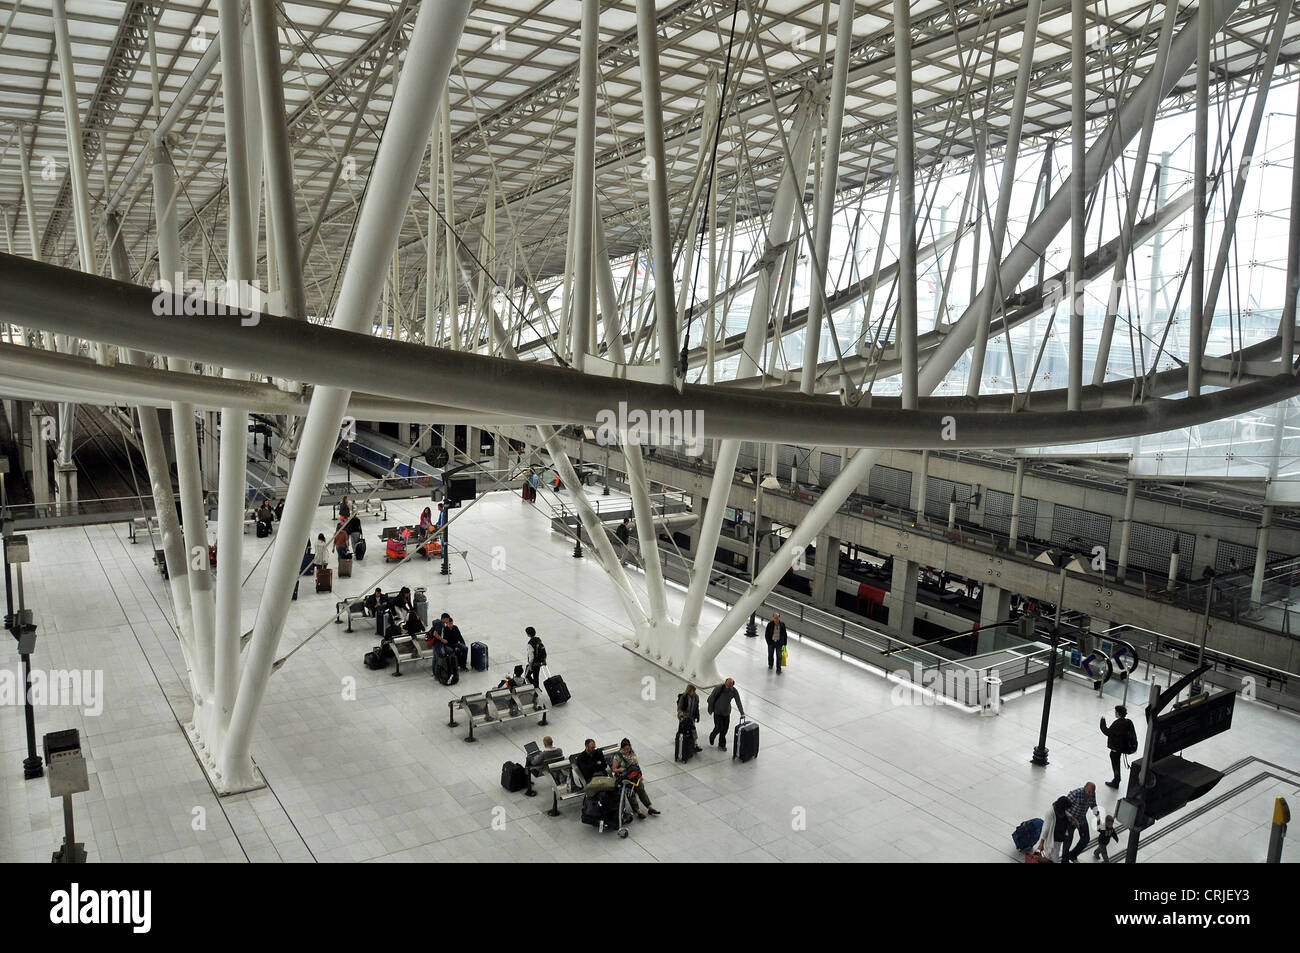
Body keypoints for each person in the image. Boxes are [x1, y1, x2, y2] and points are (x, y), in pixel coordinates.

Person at [611, 738, 660, 818]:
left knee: (641, 788)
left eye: (628, 748)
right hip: (624, 778)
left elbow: (636, 764)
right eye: (626, 749)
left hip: (633, 775)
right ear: (622, 748)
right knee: (630, 792)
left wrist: (640, 775)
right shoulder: (618, 756)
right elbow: (614, 769)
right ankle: (638, 811)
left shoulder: (631, 752)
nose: (627, 751)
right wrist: (621, 769)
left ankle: (650, 807)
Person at [1099, 705, 1136, 788]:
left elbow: (1107, 732)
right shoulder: (1127, 722)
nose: (1115, 713)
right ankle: (1117, 779)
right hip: (1121, 747)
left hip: (1116, 748)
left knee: (1115, 763)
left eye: (1115, 712)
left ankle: (1116, 780)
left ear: (1118, 713)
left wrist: (1102, 722)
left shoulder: (1118, 723)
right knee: (1116, 762)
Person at [1062, 782, 1099, 863]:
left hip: (1081, 819)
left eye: (1092, 792)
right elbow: (1063, 806)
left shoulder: (1092, 794)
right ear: (1084, 787)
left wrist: (1098, 816)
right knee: (1067, 842)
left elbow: (1093, 805)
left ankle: (1073, 855)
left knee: (1085, 839)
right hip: (1070, 821)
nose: (1090, 794)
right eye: (1089, 791)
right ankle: (1064, 860)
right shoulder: (1075, 794)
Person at [706, 678, 745, 751]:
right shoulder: (718, 688)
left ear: (732, 685)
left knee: (725, 729)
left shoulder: (734, 691)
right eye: (726, 684)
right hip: (717, 712)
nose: (727, 686)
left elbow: (738, 701)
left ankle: (721, 745)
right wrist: (710, 709)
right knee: (718, 727)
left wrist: (742, 713)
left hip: (726, 713)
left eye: (729, 685)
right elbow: (711, 698)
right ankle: (712, 735)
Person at [1036, 796, 1074, 862]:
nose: (1066, 810)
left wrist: (1074, 819)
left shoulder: (1062, 811)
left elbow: (1067, 813)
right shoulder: (1050, 813)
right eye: (1066, 808)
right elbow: (1046, 829)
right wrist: (1041, 844)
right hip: (1051, 840)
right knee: (1051, 858)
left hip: (1059, 840)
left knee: (1052, 857)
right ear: (1062, 807)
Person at [677, 684, 702, 753]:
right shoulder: (683, 697)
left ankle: (695, 745)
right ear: (689, 691)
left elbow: (697, 708)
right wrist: (681, 714)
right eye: (693, 691)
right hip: (684, 716)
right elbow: (679, 708)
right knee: (682, 730)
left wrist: (697, 716)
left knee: (693, 730)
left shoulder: (696, 697)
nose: (694, 693)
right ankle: (680, 741)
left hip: (691, 717)